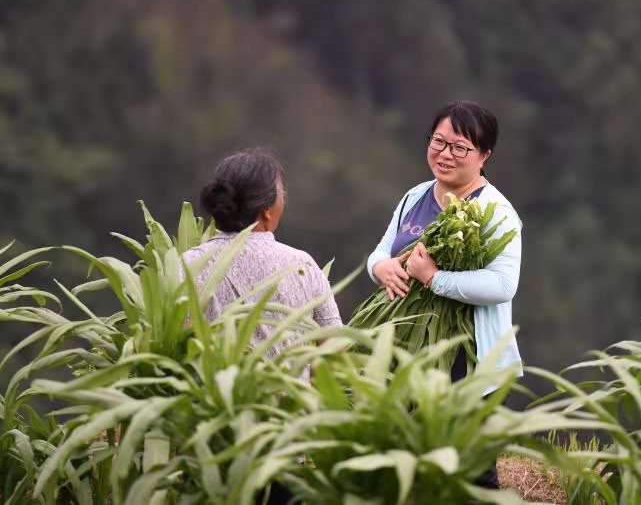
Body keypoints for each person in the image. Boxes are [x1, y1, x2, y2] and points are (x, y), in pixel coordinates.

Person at [366, 100, 523, 489]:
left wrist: (434, 278)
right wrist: (379, 268)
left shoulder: (496, 211)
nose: (445, 154)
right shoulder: (415, 196)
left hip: (469, 364)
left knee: (470, 476)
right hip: (409, 357)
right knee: (408, 469)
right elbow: (384, 250)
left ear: (485, 155)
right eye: (439, 141)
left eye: (460, 147)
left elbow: (503, 286)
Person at [182, 149, 341, 504]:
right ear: (267, 211)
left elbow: (178, 341)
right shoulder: (301, 264)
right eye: (281, 191)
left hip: (212, 445)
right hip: (285, 442)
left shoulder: (188, 264)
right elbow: (333, 348)